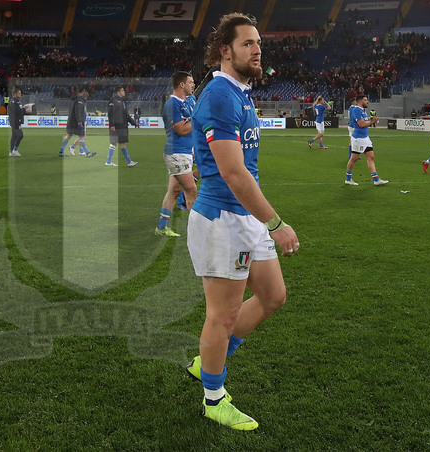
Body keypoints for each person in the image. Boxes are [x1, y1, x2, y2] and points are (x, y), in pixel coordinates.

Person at [183, 13, 299, 431]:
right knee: (223, 314)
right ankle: (214, 398)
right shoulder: (220, 94)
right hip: (222, 220)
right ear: (224, 51)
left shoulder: (240, 92)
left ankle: (208, 362)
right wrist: (276, 223)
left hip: (244, 218)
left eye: (259, 43)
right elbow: (233, 173)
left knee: (273, 296)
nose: (257, 50)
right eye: (247, 43)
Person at [155, 71, 196, 237]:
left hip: (183, 153)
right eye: (190, 82)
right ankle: (200, 231)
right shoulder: (172, 104)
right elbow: (182, 130)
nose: (193, 85)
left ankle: (161, 228)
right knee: (191, 191)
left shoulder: (186, 101)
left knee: (174, 191)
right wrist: (197, 118)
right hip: (177, 154)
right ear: (181, 85)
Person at [345, 95, 388, 186]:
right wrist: (371, 122)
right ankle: (348, 179)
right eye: (365, 100)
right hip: (358, 138)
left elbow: (365, 123)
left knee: (371, 156)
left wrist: (372, 121)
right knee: (353, 159)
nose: (367, 101)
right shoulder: (356, 110)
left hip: (365, 138)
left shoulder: (363, 110)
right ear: (361, 101)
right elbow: (361, 124)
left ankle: (376, 179)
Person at [105, 85, 139, 167]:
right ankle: (109, 162)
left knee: (122, 143)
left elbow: (126, 115)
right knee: (114, 143)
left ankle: (129, 162)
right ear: (118, 92)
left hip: (123, 126)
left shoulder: (123, 101)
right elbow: (111, 113)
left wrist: (134, 123)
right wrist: (112, 125)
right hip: (116, 126)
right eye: (122, 90)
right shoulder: (113, 100)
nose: (124, 92)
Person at [59, 88, 96, 158]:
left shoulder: (78, 100)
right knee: (81, 137)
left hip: (72, 122)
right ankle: (87, 152)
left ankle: (61, 151)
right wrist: (79, 122)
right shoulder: (80, 102)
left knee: (69, 135)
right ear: (86, 97)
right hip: (76, 123)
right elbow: (78, 112)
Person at [8, 88, 25, 157]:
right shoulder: (13, 102)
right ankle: (15, 150)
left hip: (16, 121)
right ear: (15, 94)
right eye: (19, 93)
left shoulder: (17, 102)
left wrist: (24, 110)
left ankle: (11, 152)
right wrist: (24, 109)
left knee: (14, 136)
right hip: (15, 122)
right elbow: (17, 111)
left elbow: (20, 110)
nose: (20, 94)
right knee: (20, 135)